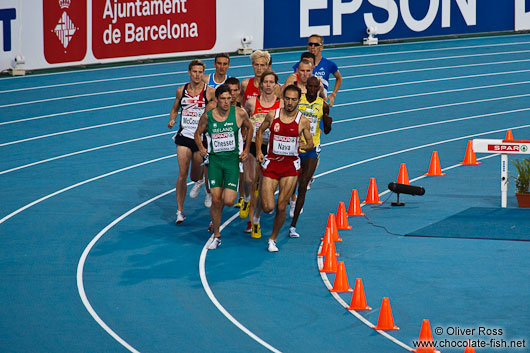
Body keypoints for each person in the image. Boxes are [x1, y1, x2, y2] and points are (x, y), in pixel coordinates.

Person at [255, 85, 314, 252]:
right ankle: (260, 207)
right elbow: (259, 132)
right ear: (282, 98)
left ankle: (272, 239)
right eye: (287, 98)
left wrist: (306, 145)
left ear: (298, 101)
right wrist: (259, 151)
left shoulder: (302, 121)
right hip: (272, 163)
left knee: (281, 206)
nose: (289, 102)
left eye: (293, 99)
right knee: (268, 207)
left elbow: (310, 143)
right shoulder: (273, 115)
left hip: (290, 167)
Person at [195, 85, 253, 249]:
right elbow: (197, 133)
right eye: (223, 99)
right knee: (215, 199)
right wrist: (201, 148)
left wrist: (247, 149)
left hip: (232, 162)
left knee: (228, 201)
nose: (227, 102)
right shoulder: (208, 116)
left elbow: (250, 128)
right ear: (217, 99)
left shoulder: (239, 113)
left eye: (229, 98)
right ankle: (217, 235)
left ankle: (216, 218)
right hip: (214, 162)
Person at [168, 59, 216, 224]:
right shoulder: (181, 91)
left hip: (201, 138)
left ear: (203, 74)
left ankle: (201, 180)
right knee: (182, 174)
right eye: (194, 72)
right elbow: (175, 109)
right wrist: (172, 119)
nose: (197, 75)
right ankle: (180, 211)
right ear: (189, 72)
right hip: (184, 136)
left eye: (200, 72)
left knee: (195, 175)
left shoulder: (209, 92)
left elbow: (216, 112)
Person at [288, 76, 332, 238]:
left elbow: (327, 131)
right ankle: (291, 199)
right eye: (310, 87)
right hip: (295, 146)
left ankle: (293, 225)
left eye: (316, 87)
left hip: (312, 148)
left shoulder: (323, 105)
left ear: (319, 88)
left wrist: (327, 122)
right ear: (307, 87)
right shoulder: (298, 101)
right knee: (291, 182)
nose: (313, 89)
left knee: (303, 183)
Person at [243, 70, 282, 238]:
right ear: (261, 84)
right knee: (250, 180)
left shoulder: (280, 105)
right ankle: (245, 200)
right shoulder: (252, 103)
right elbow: (244, 119)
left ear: (275, 85)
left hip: (271, 148)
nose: (268, 85)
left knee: (261, 185)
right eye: (265, 82)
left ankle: (255, 221)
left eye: (271, 82)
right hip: (252, 145)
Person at [292, 34, 342, 106]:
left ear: (321, 47)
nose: (313, 47)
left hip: (319, 105)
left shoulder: (329, 64)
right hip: (302, 104)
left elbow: (339, 78)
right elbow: (294, 82)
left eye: (316, 44)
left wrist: (333, 94)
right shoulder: (300, 65)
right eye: (310, 44)